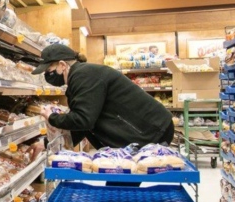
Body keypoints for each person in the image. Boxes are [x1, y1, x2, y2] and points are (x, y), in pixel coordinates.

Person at [33, 44, 175, 149]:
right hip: (146, 128)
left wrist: (52, 117)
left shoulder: (83, 76)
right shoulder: (82, 75)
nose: (47, 75)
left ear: (62, 65)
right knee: (120, 179)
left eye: (49, 70)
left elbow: (84, 120)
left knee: (122, 178)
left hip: (151, 130)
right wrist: (46, 144)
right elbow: (87, 121)